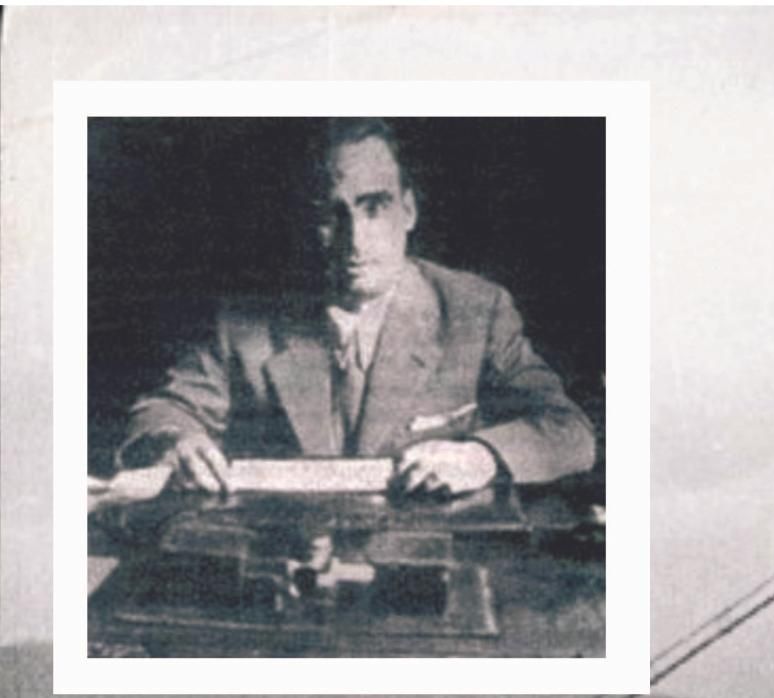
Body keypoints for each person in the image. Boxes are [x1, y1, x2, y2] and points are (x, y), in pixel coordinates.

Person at [117, 120, 596, 498]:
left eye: (374, 207)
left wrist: (481, 456)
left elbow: (569, 430)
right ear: (305, 222)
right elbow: (164, 411)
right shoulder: (243, 321)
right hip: (289, 557)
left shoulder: (475, 309)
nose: (355, 239)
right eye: (331, 214)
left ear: (408, 211)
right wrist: (176, 442)